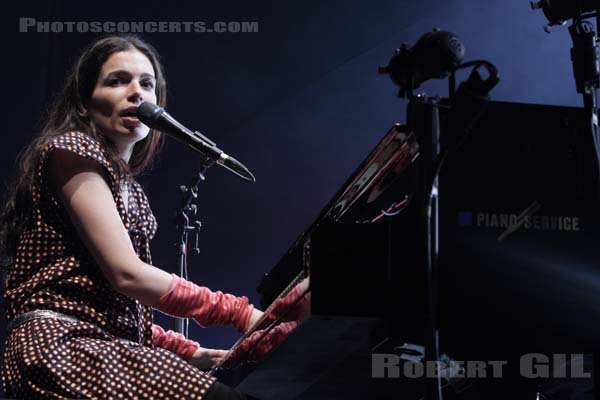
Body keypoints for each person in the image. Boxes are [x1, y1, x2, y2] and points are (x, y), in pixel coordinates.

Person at [0, 35, 265, 400]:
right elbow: (127, 275)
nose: (136, 93)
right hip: (61, 348)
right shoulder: (72, 151)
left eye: (147, 83)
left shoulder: (131, 191)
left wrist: (188, 352)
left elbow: (111, 306)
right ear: (84, 100)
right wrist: (239, 313)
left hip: (93, 344)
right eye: (117, 80)